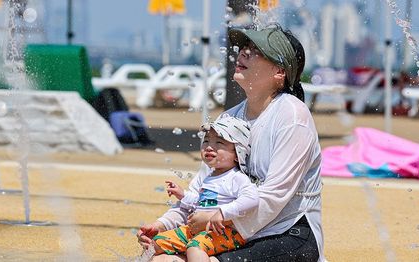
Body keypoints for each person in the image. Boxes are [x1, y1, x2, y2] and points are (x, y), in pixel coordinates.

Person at [137, 24, 324, 262]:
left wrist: (219, 218)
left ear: (279, 71)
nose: (243, 53)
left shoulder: (292, 117)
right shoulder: (228, 119)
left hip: (288, 233)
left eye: (256, 50)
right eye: (244, 47)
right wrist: (163, 225)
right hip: (232, 231)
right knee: (158, 258)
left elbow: (274, 197)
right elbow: (204, 190)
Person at [149, 116, 259, 261]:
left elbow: (252, 199)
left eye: (219, 143)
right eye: (206, 141)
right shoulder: (209, 176)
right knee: (156, 243)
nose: (209, 147)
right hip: (198, 231)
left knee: (194, 248)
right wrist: (183, 195)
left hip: (224, 233)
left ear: (238, 154)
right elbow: (203, 203)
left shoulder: (236, 178)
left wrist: (223, 213)